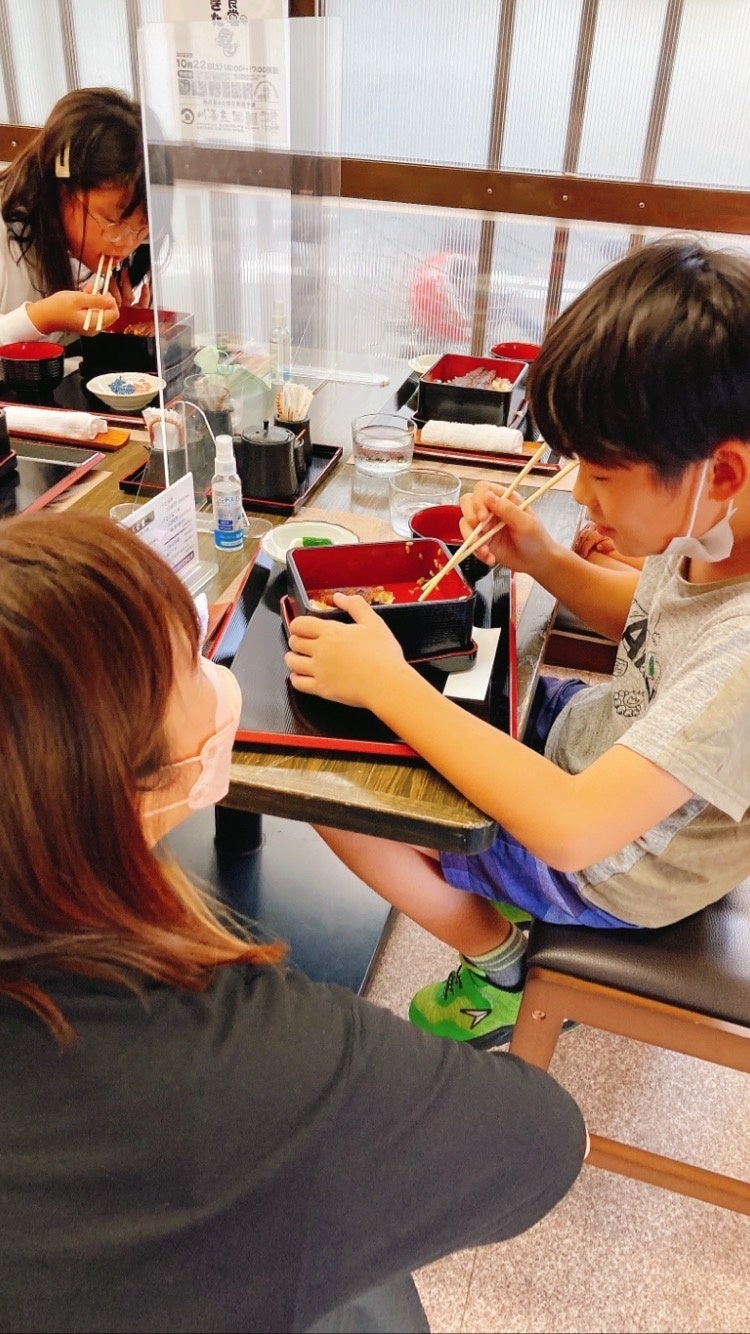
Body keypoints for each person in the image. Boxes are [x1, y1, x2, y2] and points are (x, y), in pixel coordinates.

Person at [0, 510, 586, 1333]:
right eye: (191, 665)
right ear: (111, 780)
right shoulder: (250, 1051)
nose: (217, 676)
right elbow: (546, 1143)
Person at [285, 236, 750, 1047]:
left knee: (334, 786)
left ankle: (496, 958)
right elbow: (651, 622)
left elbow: (572, 830)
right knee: (421, 697)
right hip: (595, 739)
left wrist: (387, 682)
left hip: (613, 865)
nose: (582, 495)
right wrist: (543, 557)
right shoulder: (714, 522)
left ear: (724, 472)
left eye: (602, 476)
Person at [0, 87, 155, 346]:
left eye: (142, 228)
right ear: (61, 187)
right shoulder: (6, 234)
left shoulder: (90, 255)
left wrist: (114, 330)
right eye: (113, 223)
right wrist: (42, 318)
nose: (127, 244)